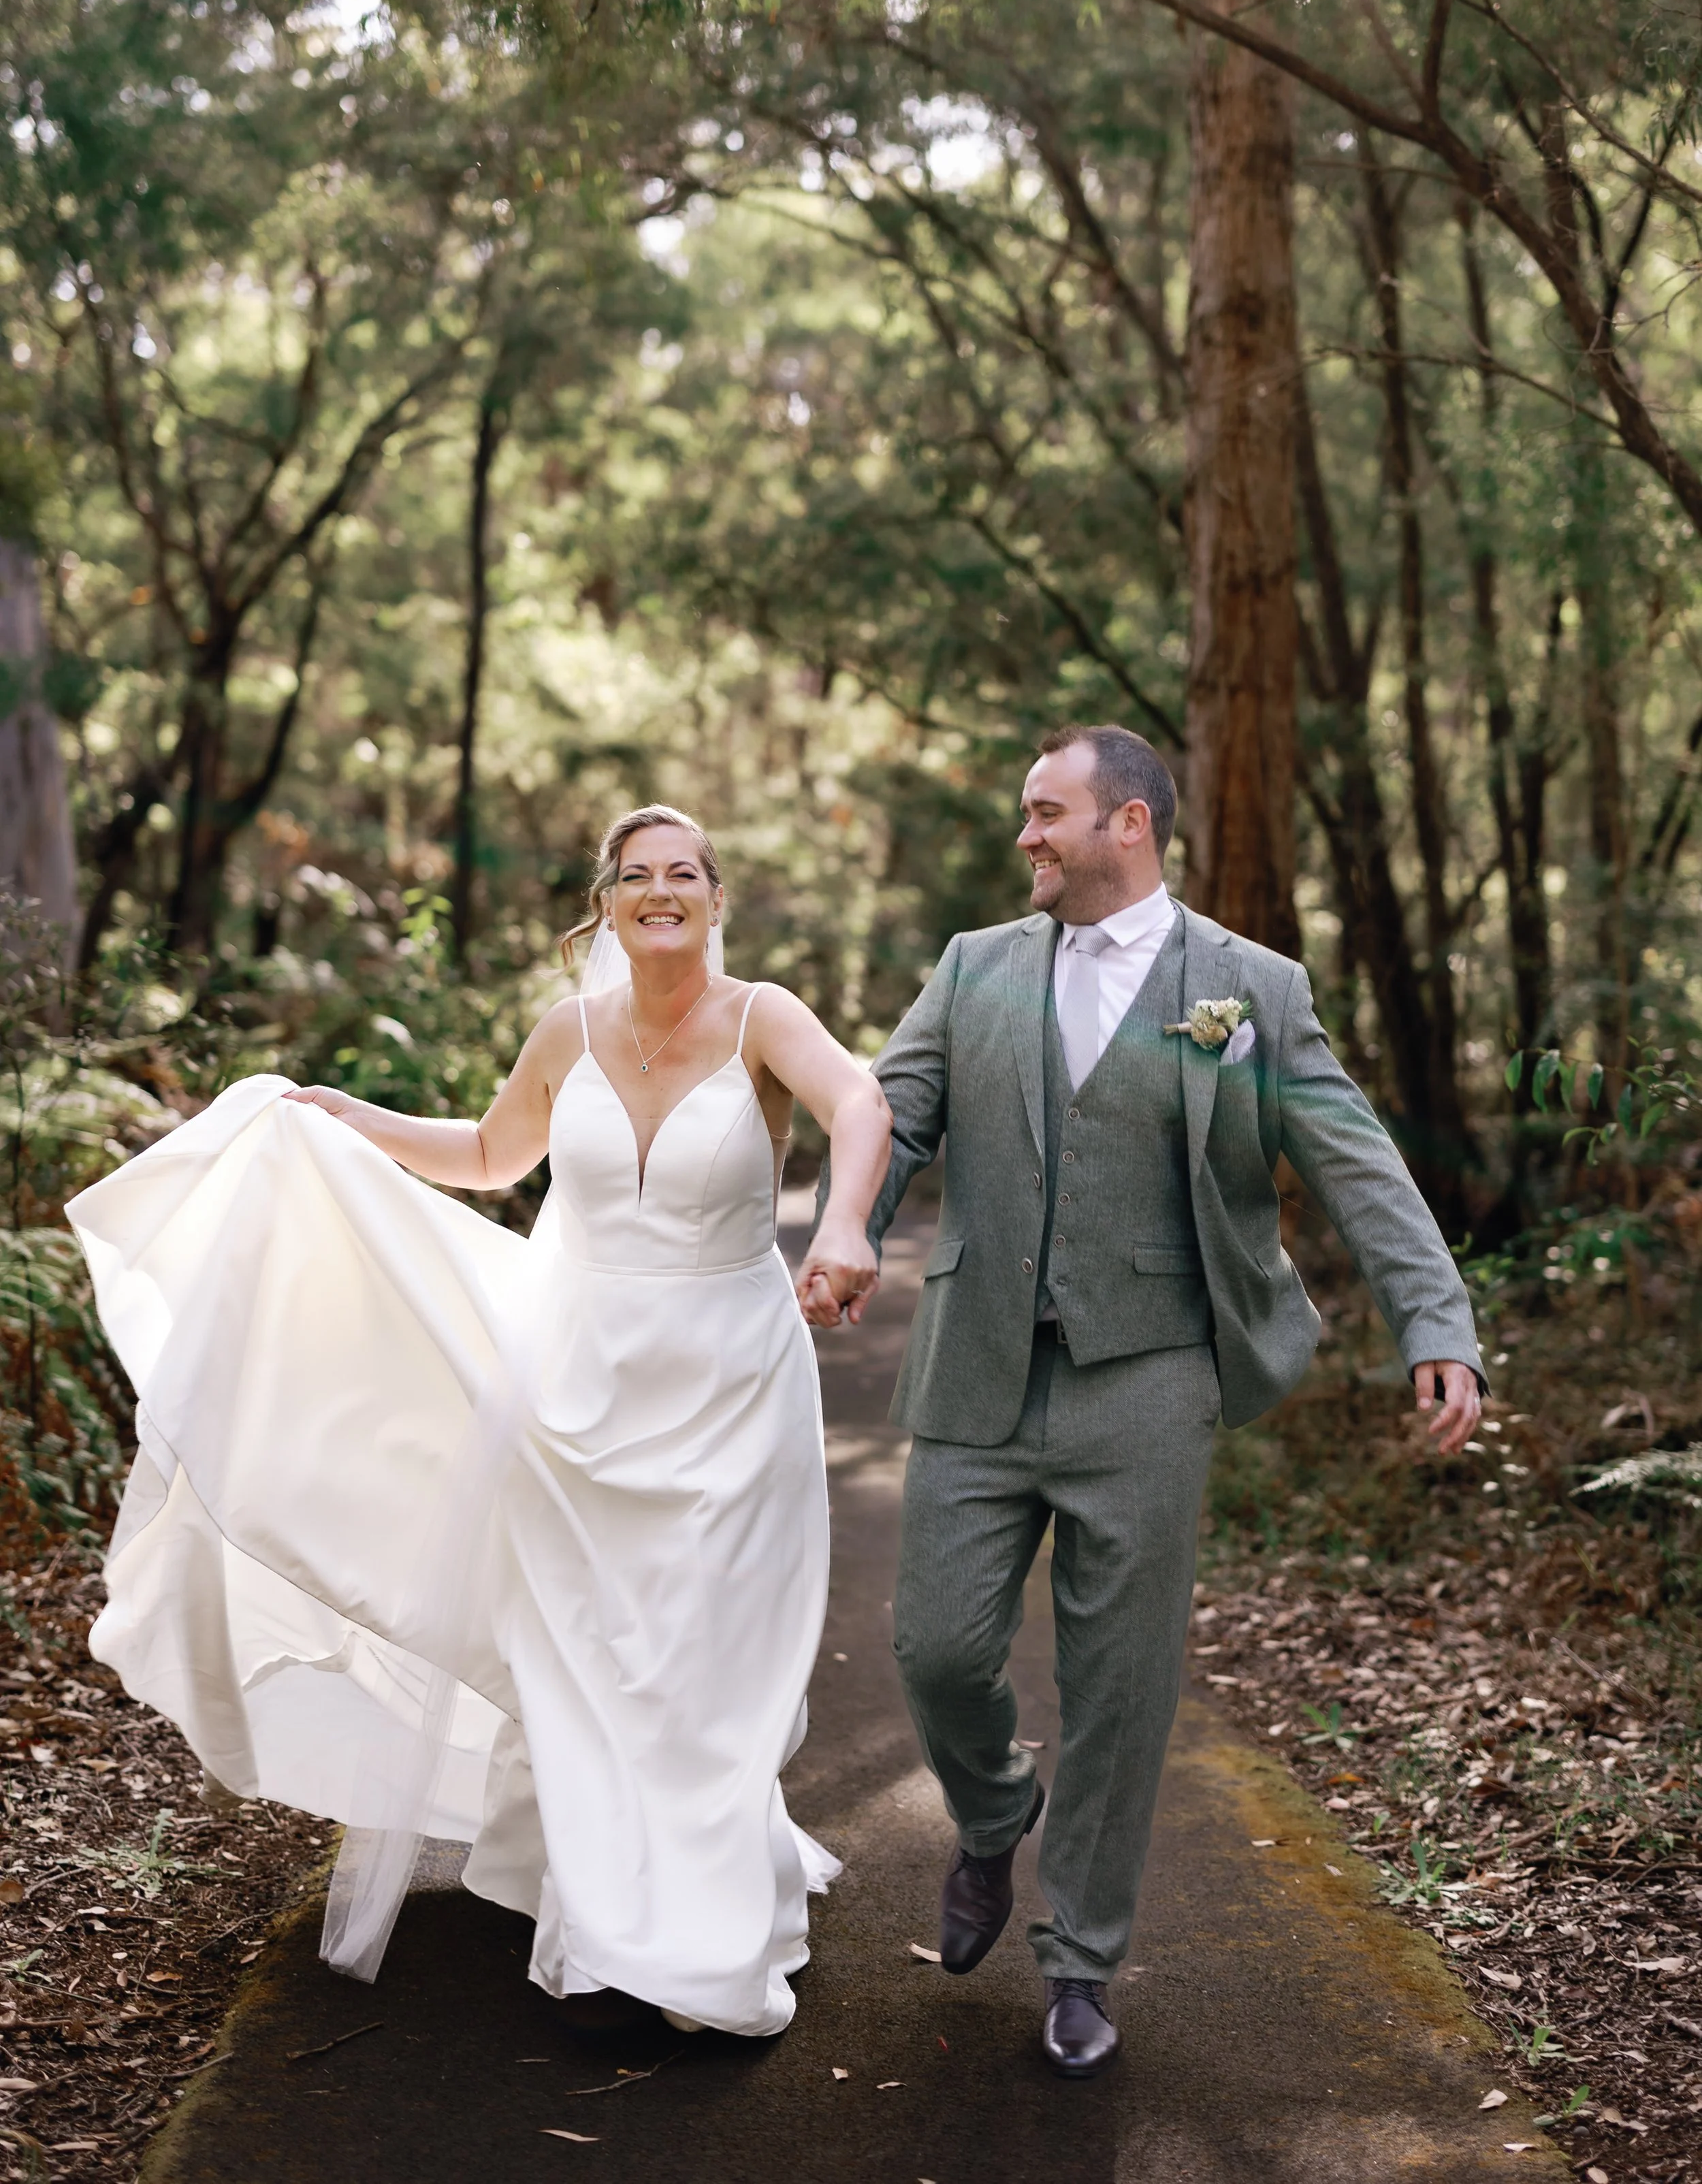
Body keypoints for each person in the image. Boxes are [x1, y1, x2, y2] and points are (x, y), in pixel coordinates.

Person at [69, 804, 888, 2038]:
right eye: (635, 876)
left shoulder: (762, 1016)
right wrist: (350, 1123)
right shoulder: (568, 1031)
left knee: (709, 1651)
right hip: (579, 1388)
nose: (659, 892)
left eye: (682, 874)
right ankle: (620, 1919)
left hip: (733, 1380)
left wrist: (842, 1225)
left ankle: (704, 1920)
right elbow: (493, 1154)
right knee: (596, 1646)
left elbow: (861, 1099)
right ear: (606, 903)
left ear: (716, 897)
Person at [797, 724, 1483, 2076]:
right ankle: (992, 1817)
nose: (1024, 838)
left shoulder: (1249, 990)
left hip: (1151, 1376)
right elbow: (887, 1113)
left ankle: (1080, 1961)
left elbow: (1352, 1162)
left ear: (1128, 824)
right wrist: (848, 1222)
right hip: (981, 1365)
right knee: (932, 1648)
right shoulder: (971, 969)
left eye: (1044, 813)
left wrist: (1435, 1323)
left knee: (1120, 1686)